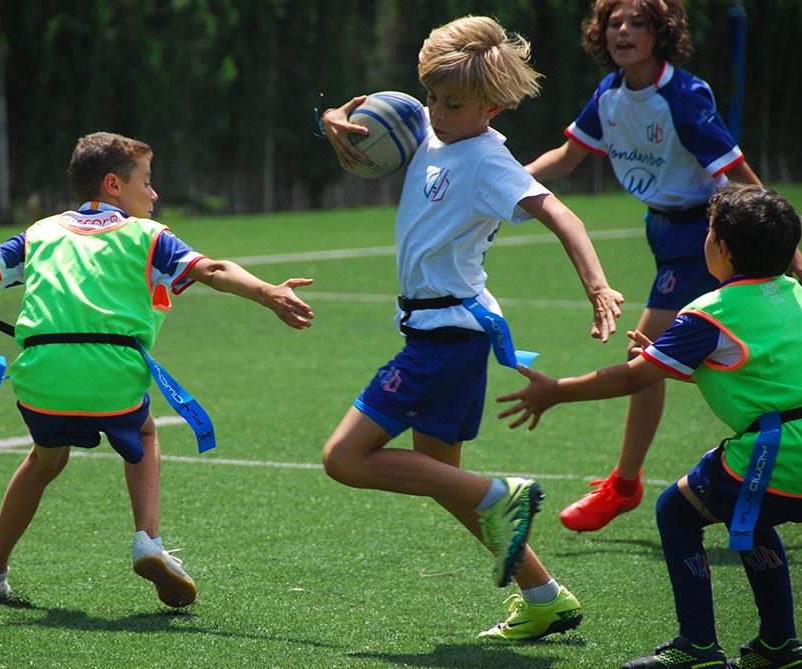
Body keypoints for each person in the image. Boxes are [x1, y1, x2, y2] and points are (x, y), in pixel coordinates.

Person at [0, 131, 314, 608]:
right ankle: (148, 541)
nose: (154, 194)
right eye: (147, 181)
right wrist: (267, 292)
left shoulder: (39, 233)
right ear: (113, 185)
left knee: (45, 459)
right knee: (143, 431)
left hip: (40, 379)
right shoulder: (147, 236)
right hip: (113, 376)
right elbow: (213, 271)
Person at [318, 15, 625, 640]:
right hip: (440, 332)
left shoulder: (488, 159)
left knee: (343, 458)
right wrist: (332, 122)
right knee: (443, 480)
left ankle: (500, 492)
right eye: (432, 96)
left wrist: (597, 286)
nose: (437, 111)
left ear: (493, 107)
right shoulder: (427, 127)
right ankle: (544, 596)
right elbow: (374, 124)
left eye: (453, 104)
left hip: (447, 336)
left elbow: (561, 215)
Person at [524, 0, 802, 533]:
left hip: (707, 232)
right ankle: (630, 481)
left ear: (662, 33)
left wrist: (785, 250)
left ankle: (625, 484)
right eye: (614, 23)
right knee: (657, 354)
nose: (623, 32)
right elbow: (566, 156)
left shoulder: (682, 95)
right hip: (663, 228)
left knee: (645, 356)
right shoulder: (609, 93)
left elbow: (739, 173)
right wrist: (508, 179)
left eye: (637, 23)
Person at [498, 183, 802, 669]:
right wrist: (664, 358)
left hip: (778, 453)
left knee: (677, 511)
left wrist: (556, 390)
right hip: (787, 446)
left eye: (709, 232)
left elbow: (631, 379)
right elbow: (756, 370)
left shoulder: (711, 313)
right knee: (748, 511)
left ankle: (697, 645)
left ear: (723, 249)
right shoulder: (793, 293)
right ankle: (779, 644)